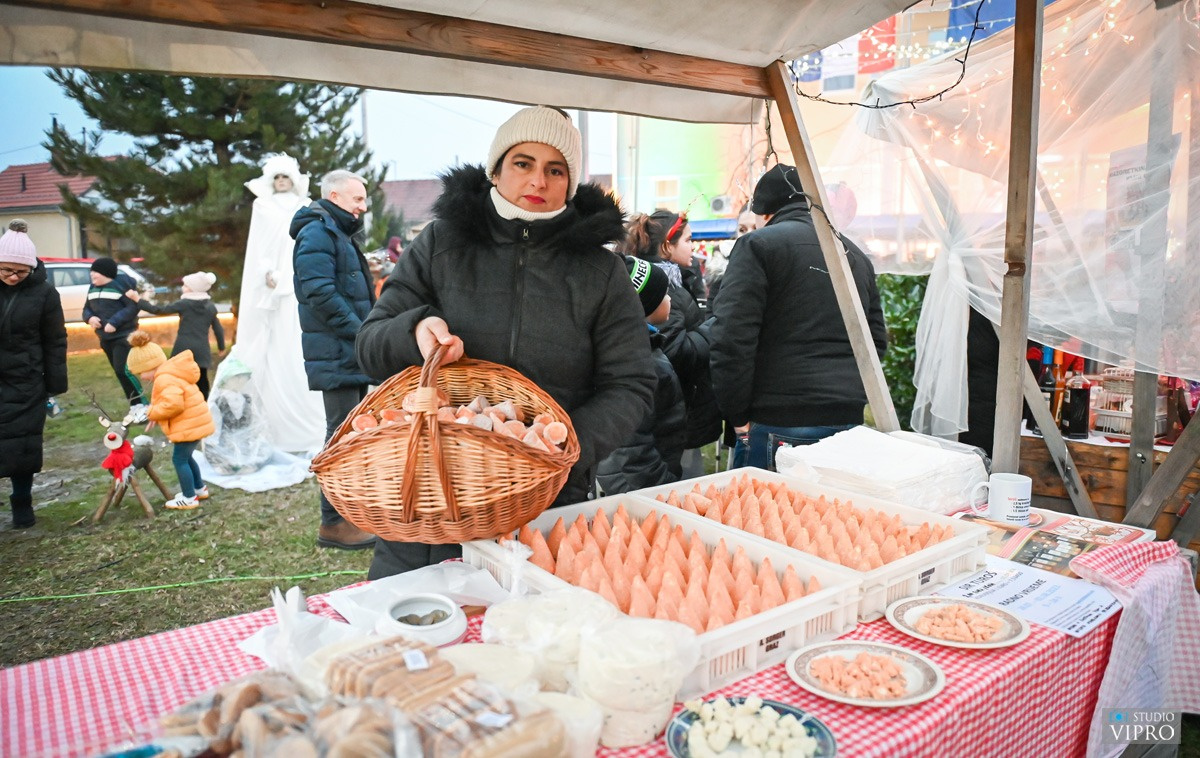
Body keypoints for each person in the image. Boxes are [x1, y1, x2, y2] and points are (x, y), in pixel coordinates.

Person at [356, 105, 655, 577]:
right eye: (523, 163)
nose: (538, 181)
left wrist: (564, 449)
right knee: (420, 634)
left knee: (529, 636)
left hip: (543, 499)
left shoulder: (601, 272)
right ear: (496, 170)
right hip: (433, 491)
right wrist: (413, 330)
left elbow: (632, 383)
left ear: (570, 183)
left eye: (554, 170)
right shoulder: (441, 243)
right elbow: (370, 344)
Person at [710, 164, 887, 470]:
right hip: (846, 419)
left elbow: (731, 338)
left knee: (761, 516)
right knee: (828, 516)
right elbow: (875, 342)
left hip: (778, 416)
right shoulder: (855, 256)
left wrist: (736, 415)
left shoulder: (758, 245)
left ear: (764, 212)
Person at [291, 169, 378, 551]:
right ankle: (333, 523)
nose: (362, 207)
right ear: (334, 195)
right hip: (337, 352)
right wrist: (362, 333)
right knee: (340, 438)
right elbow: (320, 294)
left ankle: (352, 514)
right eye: (357, 199)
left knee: (352, 435)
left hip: (348, 353)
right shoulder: (317, 233)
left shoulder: (336, 233)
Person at [621, 210, 721, 478]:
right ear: (667, 245)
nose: (692, 246)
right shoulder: (661, 289)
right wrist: (712, 328)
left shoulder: (674, 284)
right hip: (676, 418)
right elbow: (675, 350)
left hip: (679, 415)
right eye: (687, 240)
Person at [237, 155, 326, 454]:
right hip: (275, 282)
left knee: (301, 341)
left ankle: (312, 416)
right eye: (277, 178)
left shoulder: (306, 205)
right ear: (271, 181)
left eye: (286, 177)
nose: (282, 182)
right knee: (278, 344)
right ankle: (281, 423)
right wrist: (266, 272)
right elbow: (259, 242)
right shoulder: (262, 206)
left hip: (300, 276)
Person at [596, 257, 686, 493]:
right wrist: (662, 487)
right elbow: (631, 451)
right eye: (664, 294)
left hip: (632, 480)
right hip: (642, 487)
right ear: (643, 306)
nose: (669, 299)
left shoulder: (635, 349)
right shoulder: (643, 365)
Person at [0, 220, 67, 529]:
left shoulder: (45, 294)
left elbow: (55, 340)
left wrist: (53, 386)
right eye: (6, 270)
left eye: (20, 271)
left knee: (23, 444)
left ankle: (21, 501)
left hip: (25, 380)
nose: (13, 276)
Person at [126, 330, 215, 510]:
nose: (141, 377)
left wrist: (151, 413)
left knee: (179, 460)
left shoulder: (165, 379)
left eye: (141, 372)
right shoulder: (170, 374)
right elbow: (168, 402)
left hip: (189, 426)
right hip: (194, 423)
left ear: (150, 366)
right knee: (187, 457)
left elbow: (173, 405)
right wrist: (157, 417)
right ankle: (199, 488)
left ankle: (189, 497)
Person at [126, 271, 225, 398]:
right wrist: (221, 347)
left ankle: (177, 399)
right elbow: (218, 328)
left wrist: (137, 300)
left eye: (186, 286)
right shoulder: (210, 306)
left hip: (183, 346)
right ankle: (203, 404)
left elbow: (159, 310)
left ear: (193, 289)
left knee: (177, 376)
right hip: (202, 349)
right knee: (202, 380)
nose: (183, 288)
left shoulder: (184, 304)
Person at [82, 256, 147, 422]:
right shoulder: (93, 288)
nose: (92, 275)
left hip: (123, 336)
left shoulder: (121, 286)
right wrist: (90, 318)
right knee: (119, 372)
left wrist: (115, 322)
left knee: (123, 370)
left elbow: (133, 307)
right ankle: (134, 406)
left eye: (95, 273)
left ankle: (143, 406)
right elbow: (87, 309)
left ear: (106, 274)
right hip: (105, 337)